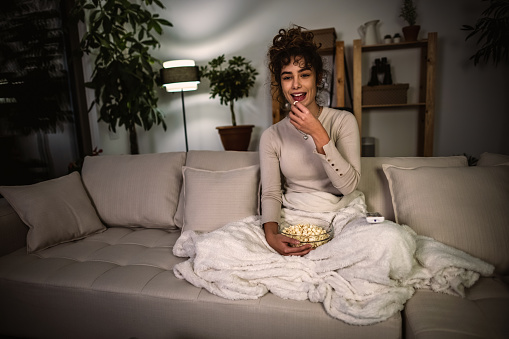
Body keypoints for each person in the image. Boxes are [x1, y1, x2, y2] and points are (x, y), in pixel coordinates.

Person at [260, 25, 361, 256]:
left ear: (319, 78)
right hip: (294, 218)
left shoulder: (343, 121)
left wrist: (319, 134)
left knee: (388, 241)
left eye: (304, 75)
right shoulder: (271, 136)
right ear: (280, 83)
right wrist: (272, 236)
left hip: (340, 216)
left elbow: (348, 186)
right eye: (287, 77)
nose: (296, 85)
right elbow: (272, 194)